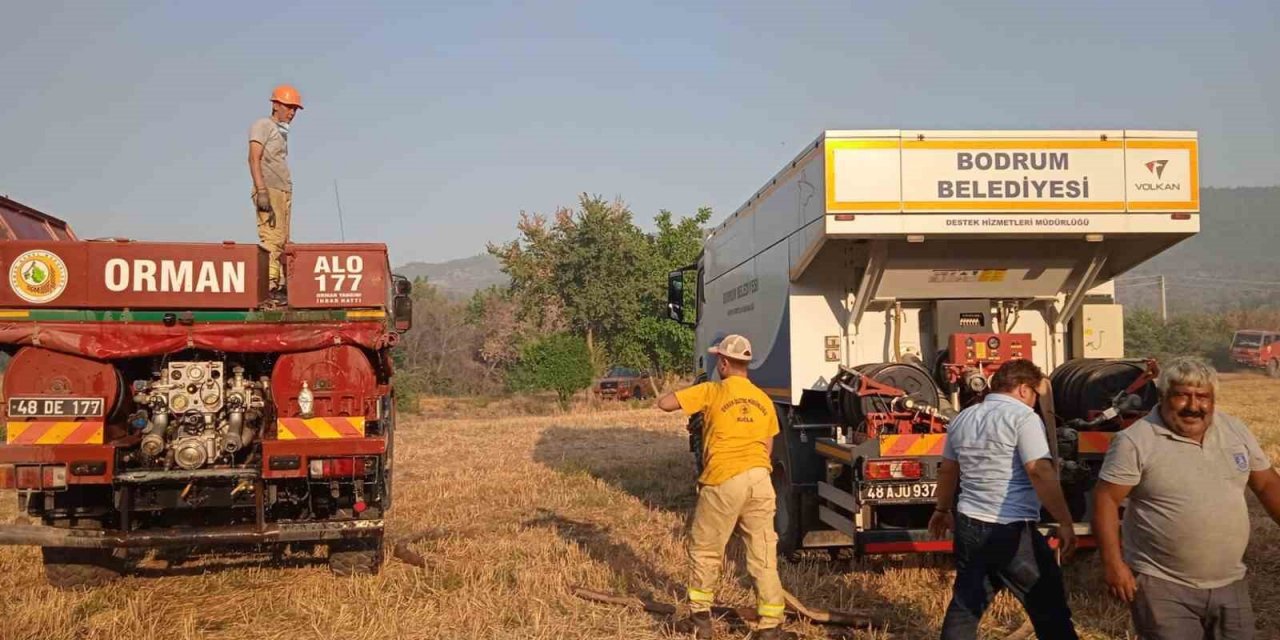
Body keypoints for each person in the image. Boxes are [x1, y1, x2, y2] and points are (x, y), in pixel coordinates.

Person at [1093, 356, 1280, 639]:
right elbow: (1105, 500)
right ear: (1163, 396)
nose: (1193, 406)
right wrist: (1114, 565)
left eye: (1202, 397)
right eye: (1182, 396)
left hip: (1231, 581)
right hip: (1163, 585)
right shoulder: (1135, 441)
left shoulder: (1235, 431)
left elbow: (1266, 485)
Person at [929, 358, 1079, 640]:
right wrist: (1065, 521)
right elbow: (1039, 470)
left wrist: (942, 508)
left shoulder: (963, 417)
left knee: (965, 607)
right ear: (1023, 389)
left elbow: (948, 468)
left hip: (969, 525)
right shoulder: (1023, 417)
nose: (1035, 402)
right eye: (1036, 394)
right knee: (1049, 608)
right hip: (1012, 529)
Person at [657, 334, 790, 640]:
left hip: (724, 478)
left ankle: (701, 619)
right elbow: (768, 446)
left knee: (706, 549)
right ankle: (770, 625)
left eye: (720, 359)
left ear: (725, 362)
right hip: (760, 480)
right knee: (763, 553)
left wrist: (686, 391)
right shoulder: (763, 400)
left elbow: (664, 404)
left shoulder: (713, 390)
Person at [248, 84, 302, 296]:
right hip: (269, 189)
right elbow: (254, 158)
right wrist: (261, 190)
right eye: (289, 107)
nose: (292, 112)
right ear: (276, 105)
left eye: (295, 109)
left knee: (283, 240)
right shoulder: (262, 125)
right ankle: (269, 285)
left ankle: (279, 284)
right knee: (272, 238)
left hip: (283, 190)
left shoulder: (280, 133)